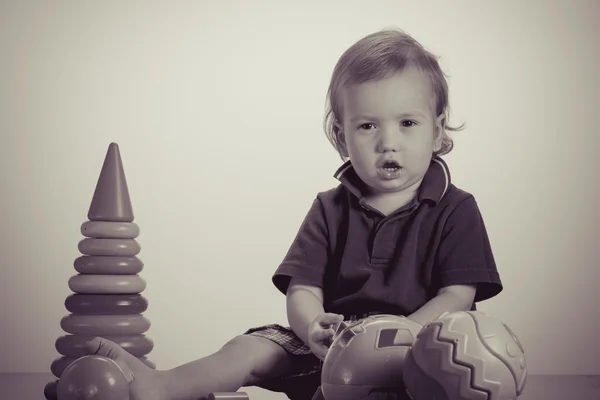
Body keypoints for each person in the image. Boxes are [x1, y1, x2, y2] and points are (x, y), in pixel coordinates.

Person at [82, 28, 503, 400]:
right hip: (334, 345)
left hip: (417, 350)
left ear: (438, 128)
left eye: (407, 123)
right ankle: (163, 386)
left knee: (460, 367)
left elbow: (457, 297)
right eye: (367, 126)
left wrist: (396, 338)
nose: (388, 142)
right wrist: (312, 326)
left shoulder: (455, 208)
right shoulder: (330, 207)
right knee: (253, 346)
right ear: (341, 136)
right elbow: (303, 287)